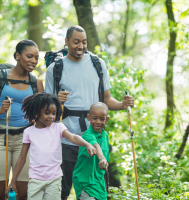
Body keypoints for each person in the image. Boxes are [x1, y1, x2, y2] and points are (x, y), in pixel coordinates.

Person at [45, 25, 135, 200]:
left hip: (95, 140)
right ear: (66, 42)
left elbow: (107, 99)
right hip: (66, 140)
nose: (81, 46)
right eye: (76, 42)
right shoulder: (55, 69)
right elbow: (46, 110)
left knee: (95, 190)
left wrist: (123, 105)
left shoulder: (97, 64)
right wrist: (56, 99)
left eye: (84, 42)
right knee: (61, 192)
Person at [5, 92, 96, 200]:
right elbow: (22, 158)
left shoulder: (58, 127)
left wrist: (87, 144)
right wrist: (13, 181)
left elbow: (72, 137)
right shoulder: (29, 132)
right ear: (37, 112)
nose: (51, 117)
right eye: (47, 113)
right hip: (35, 180)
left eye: (54, 113)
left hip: (54, 179)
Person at [0, 40, 44, 200]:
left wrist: (56, 102)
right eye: (29, 56)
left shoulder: (36, 83)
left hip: (26, 142)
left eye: (36, 58)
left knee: (22, 194)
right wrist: (1, 110)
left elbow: (42, 118)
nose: (33, 61)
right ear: (17, 56)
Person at [73, 102, 110, 200]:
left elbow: (106, 156)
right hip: (85, 182)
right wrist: (101, 158)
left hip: (99, 183)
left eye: (102, 119)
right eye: (94, 118)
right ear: (88, 117)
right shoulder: (87, 135)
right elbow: (96, 146)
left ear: (106, 120)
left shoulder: (105, 136)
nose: (98, 122)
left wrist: (105, 162)